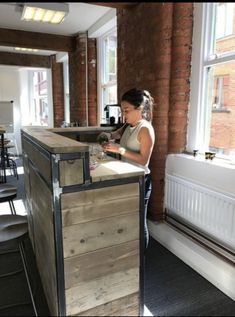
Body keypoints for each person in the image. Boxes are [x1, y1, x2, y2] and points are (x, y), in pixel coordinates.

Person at [99, 88, 155, 249]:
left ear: (140, 108)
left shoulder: (145, 129)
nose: (124, 114)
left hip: (140, 181)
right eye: (122, 110)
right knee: (128, 220)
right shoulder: (129, 124)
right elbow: (117, 134)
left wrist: (119, 150)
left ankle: (141, 260)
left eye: (127, 110)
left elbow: (144, 160)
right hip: (127, 179)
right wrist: (108, 136)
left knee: (139, 222)